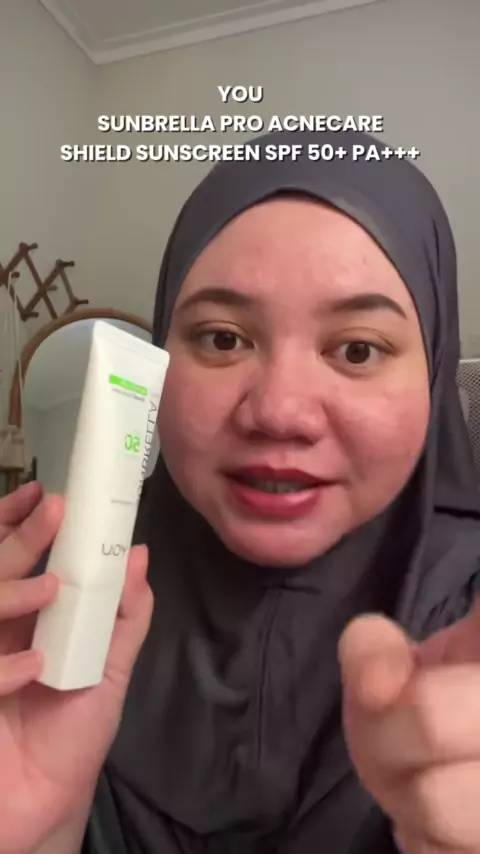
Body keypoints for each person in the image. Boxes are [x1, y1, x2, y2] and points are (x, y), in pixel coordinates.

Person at [2, 128, 480, 854]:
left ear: (435, 375)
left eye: (357, 349)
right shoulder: (39, 614)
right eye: (223, 339)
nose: (279, 412)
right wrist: (36, 832)